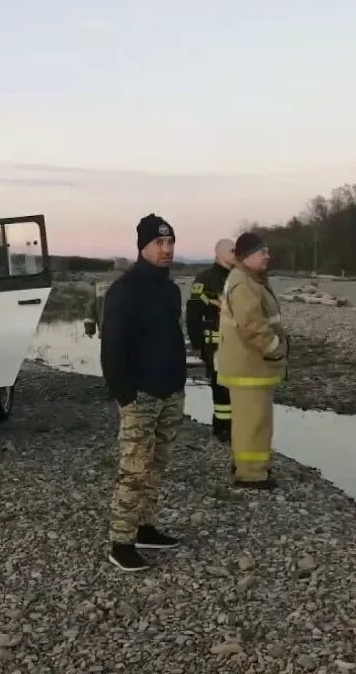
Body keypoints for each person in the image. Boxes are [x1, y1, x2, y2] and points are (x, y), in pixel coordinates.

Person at [100, 213, 186, 571]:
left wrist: (179, 383)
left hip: (170, 392)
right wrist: (126, 396)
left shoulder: (170, 290)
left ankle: (145, 526)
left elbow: (171, 339)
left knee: (157, 464)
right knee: (135, 468)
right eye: (159, 243)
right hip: (141, 395)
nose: (166, 249)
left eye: (170, 243)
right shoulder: (125, 290)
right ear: (143, 247)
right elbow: (112, 349)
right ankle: (121, 542)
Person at [216, 232, 286, 489]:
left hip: (249, 365)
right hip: (250, 366)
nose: (268, 256)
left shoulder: (246, 279)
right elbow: (252, 326)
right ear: (247, 256)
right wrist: (275, 348)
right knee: (254, 423)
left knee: (249, 421)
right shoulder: (244, 283)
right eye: (262, 252)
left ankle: (246, 466)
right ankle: (252, 474)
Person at [185, 238, 236, 443]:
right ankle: (222, 430)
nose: (236, 254)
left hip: (238, 345)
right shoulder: (205, 278)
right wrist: (197, 344)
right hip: (215, 344)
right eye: (232, 250)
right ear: (219, 253)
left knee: (237, 388)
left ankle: (236, 427)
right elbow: (193, 312)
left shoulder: (238, 277)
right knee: (222, 389)